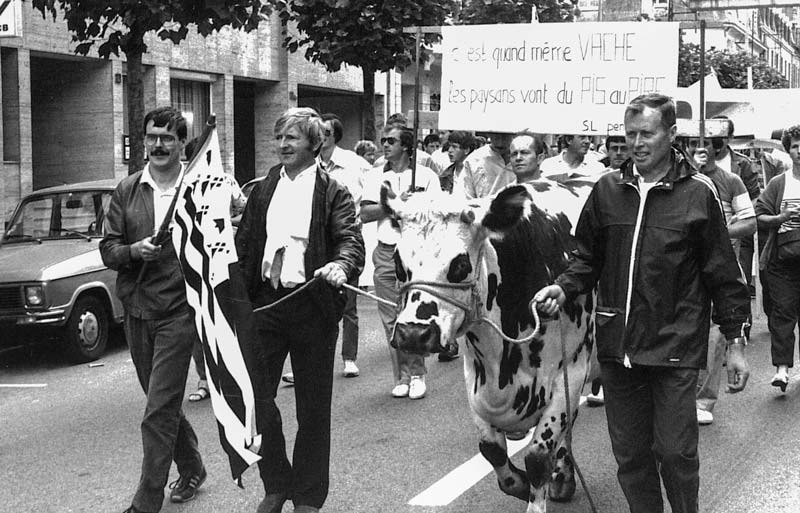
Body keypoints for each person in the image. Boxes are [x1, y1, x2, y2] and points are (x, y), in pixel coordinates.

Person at [534, 93, 751, 513]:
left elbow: (724, 276)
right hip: (618, 349)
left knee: (674, 453)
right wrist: (563, 287)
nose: (637, 142)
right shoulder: (607, 190)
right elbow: (586, 258)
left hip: (675, 346)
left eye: (646, 133)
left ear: (671, 134)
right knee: (631, 457)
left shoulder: (698, 193)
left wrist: (736, 344)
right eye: (630, 133)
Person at [235, 107, 364, 513]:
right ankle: (276, 482)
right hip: (266, 305)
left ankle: (308, 495)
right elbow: (244, 242)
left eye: (291, 138)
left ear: (315, 142)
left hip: (312, 305)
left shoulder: (333, 190)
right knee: (257, 399)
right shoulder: (263, 186)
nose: (283, 145)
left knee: (312, 408)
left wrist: (341, 265)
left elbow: (350, 239)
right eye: (279, 138)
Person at [100, 106, 207, 513]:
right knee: (158, 402)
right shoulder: (128, 189)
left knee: (158, 409)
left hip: (181, 311)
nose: (158, 145)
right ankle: (193, 464)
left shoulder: (197, 187)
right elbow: (108, 249)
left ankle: (146, 502)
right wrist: (133, 250)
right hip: (138, 310)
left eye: (167, 137)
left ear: (183, 143)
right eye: (151, 137)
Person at [361, 126, 441, 399]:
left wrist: (416, 204)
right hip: (385, 251)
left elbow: (437, 211)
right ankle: (402, 377)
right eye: (383, 140)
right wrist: (394, 205)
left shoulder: (427, 175)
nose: (384, 145)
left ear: (406, 146)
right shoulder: (375, 177)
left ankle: (418, 373)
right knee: (389, 317)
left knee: (412, 314)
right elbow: (365, 213)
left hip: (415, 254)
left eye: (391, 141)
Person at [681, 135, 756, 425]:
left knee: (714, 335)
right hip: (683, 271)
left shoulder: (731, 181)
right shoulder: (680, 182)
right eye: (691, 144)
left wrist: (719, 233)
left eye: (703, 144)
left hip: (716, 270)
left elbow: (749, 221)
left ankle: (703, 399)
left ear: (716, 148)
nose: (697, 149)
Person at [318, 113, 370, 379]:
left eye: (325, 132)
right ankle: (313, 359)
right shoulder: (310, 164)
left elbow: (372, 192)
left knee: (348, 303)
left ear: (335, 135)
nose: (321, 136)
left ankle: (349, 357)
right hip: (316, 241)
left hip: (345, 240)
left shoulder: (354, 163)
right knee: (314, 306)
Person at [755, 124, 800, 393]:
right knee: (782, 313)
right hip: (783, 260)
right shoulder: (779, 183)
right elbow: (758, 215)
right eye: (795, 146)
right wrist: (780, 218)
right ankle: (781, 369)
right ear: (788, 149)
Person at [452, 131, 515, 199]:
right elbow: (463, 197)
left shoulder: (523, 159)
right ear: (489, 134)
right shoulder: (474, 160)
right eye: (496, 134)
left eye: (505, 135)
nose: (500, 142)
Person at [540, 133, 605, 185]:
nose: (587, 141)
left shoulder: (597, 168)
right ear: (569, 140)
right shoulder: (548, 165)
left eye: (590, 137)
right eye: (582, 137)